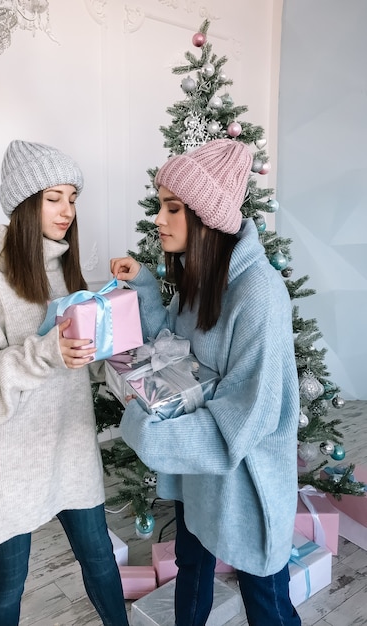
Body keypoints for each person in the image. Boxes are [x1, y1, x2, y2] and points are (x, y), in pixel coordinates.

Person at [110, 139, 301, 626]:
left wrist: (152, 434)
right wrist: (150, 290)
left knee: (267, 600)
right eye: (160, 206)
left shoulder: (260, 295)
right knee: (192, 566)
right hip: (200, 477)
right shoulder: (201, 278)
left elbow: (248, 415)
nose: (158, 219)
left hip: (247, 482)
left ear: (206, 217)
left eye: (172, 208)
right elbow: (172, 352)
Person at [0, 139, 129, 626]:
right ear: (26, 205)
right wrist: (48, 352)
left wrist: (115, 327)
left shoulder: (70, 275)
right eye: (54, 198)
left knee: (100, 559)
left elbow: (84, 364)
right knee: (8, 583)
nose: (67, 210)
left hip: (67, 445)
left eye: (73, 198)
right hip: (5, 461)